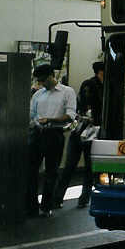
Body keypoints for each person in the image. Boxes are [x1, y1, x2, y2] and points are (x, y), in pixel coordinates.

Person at [28, 64, 77, 218]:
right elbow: (32, 114)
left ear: (51, 76)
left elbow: (70, 115)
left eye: (43, 80)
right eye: (39, 81)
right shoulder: (37, 94)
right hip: (37, 133)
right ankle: (31, 206)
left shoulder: (67, 92)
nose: (41, 83)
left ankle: (46, 206)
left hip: (54, 133)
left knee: (51, 171)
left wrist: (49, 119)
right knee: (31, 171)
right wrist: (36, 123)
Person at [55, 61, 103, 209]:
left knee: (71, 165)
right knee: (88, 167)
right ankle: (83, 199)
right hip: (89, 130)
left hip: (81, 130)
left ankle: (58, 199)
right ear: (101, 71)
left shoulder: (90, 84)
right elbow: (86, 109)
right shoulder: (92, 85)